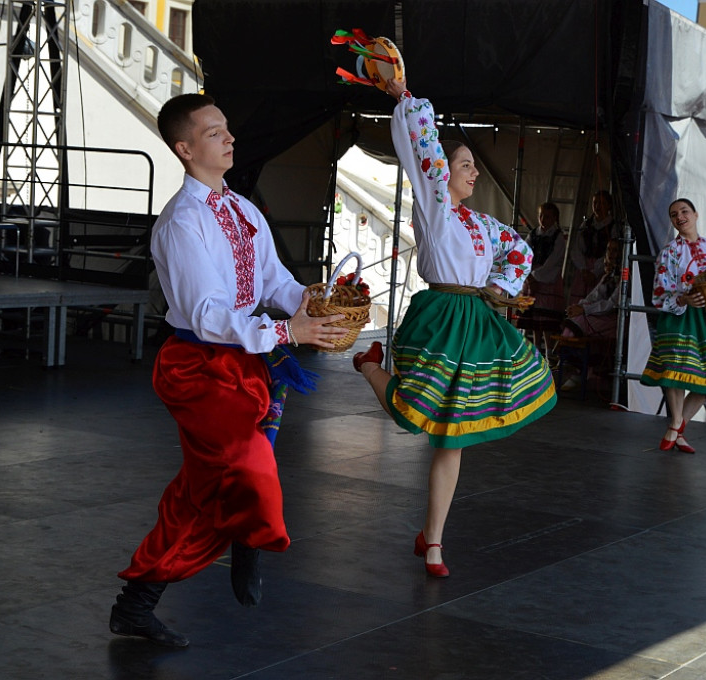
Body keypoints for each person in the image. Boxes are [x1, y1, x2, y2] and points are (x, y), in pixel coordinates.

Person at [109, 93, 347, 648]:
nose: (230, 138)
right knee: (248, 463)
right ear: (185, 149)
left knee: (197, 494)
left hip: (244, 361)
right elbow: (209, 316)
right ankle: (249, 536)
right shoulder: (181, 222)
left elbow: (273, 281)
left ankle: (136, 605)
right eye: (215, 132)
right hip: (197, 366)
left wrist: (309, 302)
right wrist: (290, 333)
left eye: (227, 128)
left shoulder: (243, 209)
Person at [352, 78, 557, 579]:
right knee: (415, 412)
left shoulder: (483, 224)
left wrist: (500, 287)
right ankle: (370, 368)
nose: (471, 171)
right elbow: (425, 151)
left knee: (452, 435)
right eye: (463, 163)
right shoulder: (435, 204)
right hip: (440, 315)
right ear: (442, 172)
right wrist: (406, 98)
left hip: (476, 318)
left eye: (470, 165)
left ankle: (434, 542)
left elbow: (521, 248)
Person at [640, 198, 706, 453]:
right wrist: (683, 298)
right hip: (679, 317)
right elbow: (660, 292)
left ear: (695, 214)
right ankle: (674, 425)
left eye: (684, 211)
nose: (680, 216)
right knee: (674, 372)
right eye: (674, 214)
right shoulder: (669, 252)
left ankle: (678, 427)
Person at [558, 239, 621, 390]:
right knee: (574, 317)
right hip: (601, 316)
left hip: (615, 320)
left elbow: (612, 304)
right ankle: (576, 368)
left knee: (578, 321)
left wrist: (584, 310)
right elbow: (593, 296)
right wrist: (579, 306)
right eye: (609, 250)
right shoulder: (608, 276)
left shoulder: (625, 278)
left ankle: (577, 369)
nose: (611, 254)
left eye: (615, 251)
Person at [517, 202, 566, 345]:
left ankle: (548, 352)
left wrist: (536, 276)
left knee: (545, 321)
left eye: (548, 217)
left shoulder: (558, 237)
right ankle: (533, 350)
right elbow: (524, 253)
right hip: (532, 277)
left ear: (555, 218)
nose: (544, 219)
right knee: (533, 320)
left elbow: (553, 260)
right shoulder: (533, 234)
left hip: (547, 278)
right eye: (541, 216)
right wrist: (529, 275)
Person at [569, 190, 617, 304]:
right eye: (595, 203)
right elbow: (576, 248)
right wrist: (584, 269)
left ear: (609, 206)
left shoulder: (613, 227)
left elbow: (611, 251)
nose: (598, 206)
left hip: (601, 268)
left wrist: (595, 272)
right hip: (584, 269)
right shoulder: (586, 225)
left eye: (602, 203)